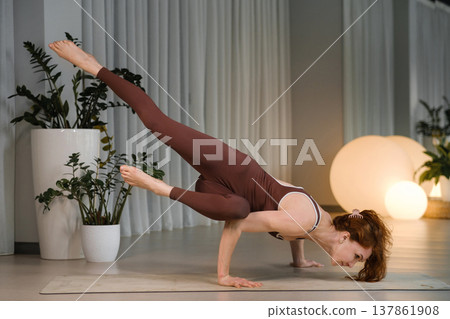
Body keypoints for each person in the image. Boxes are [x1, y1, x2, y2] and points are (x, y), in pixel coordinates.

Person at [48, 40, 392, 288]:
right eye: (358, 257)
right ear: (346, 236)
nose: (351, 265)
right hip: (232, 169)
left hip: (220, 191)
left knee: (240, 205)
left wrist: (298, 259)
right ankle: (91, 65)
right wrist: (223, 275)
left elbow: (295, 226)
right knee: (158, 123)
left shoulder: (321, 224)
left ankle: (164, 186)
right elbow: (239, 225)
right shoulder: (306, 221)